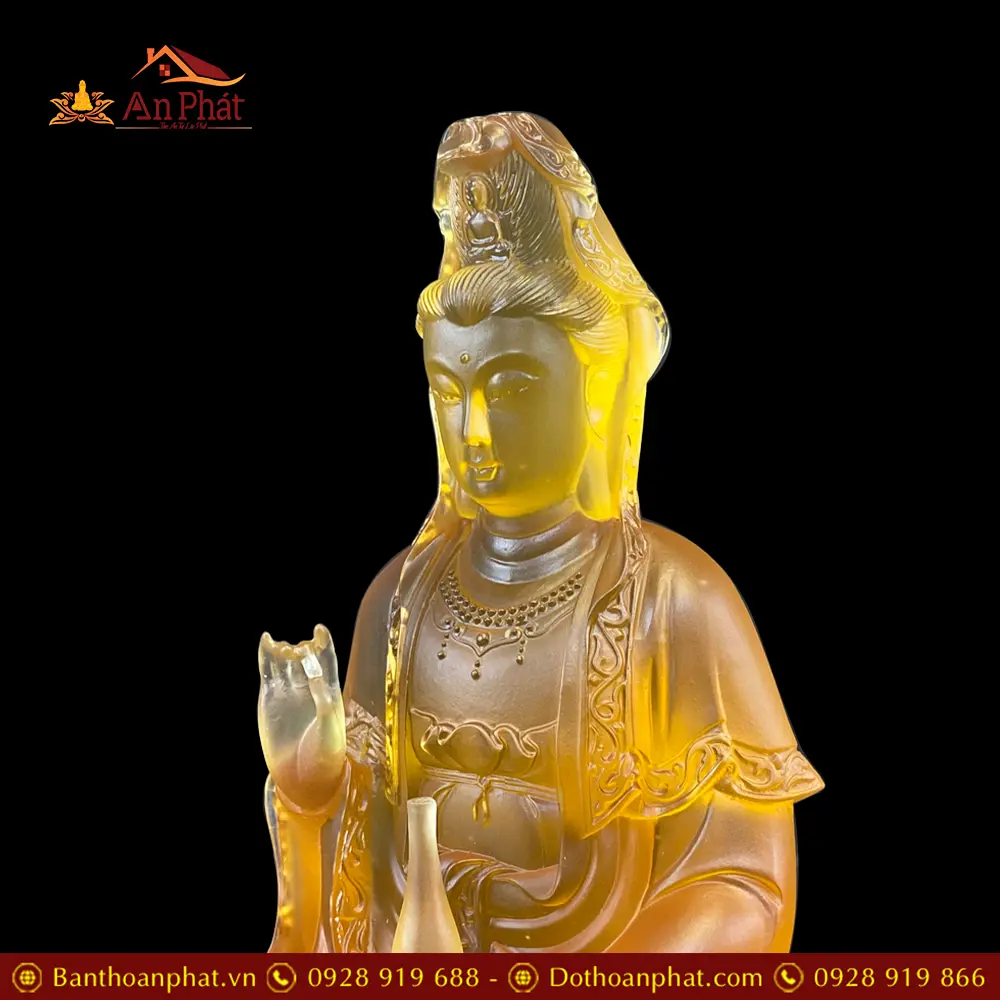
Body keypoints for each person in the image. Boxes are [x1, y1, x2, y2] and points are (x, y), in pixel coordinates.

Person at [257, 112, 823, 954]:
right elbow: (356, 889)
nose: (476, 431)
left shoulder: (674, 601)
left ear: (594, 390)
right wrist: (311, 795)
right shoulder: (400, 602)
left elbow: (745, 887)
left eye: (513, 388)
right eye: (451, 391)